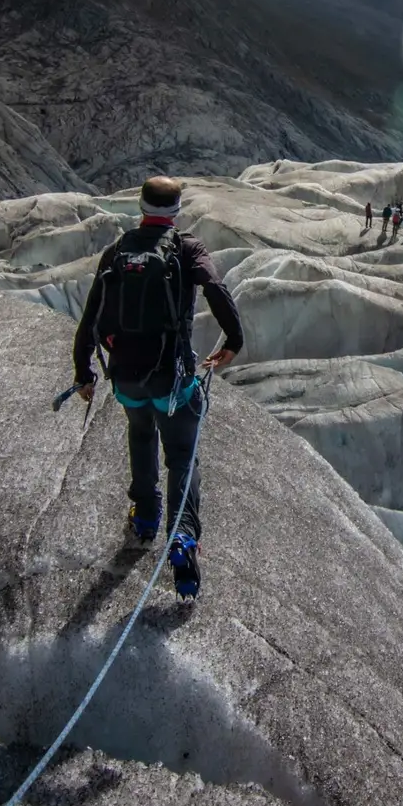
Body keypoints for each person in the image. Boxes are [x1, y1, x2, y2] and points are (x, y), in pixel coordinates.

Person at [73, 176, 243, 599]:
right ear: (177, 210)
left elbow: (91, 314)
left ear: (141, 206)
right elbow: (215, 287)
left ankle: (146, 516)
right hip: (172, 377)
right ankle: (182, 536)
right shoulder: (186, 248)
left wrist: (84, 372)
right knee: (182, 456)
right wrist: (234, 340)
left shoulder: (118, 250)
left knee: (140, 433)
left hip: (126, 377)